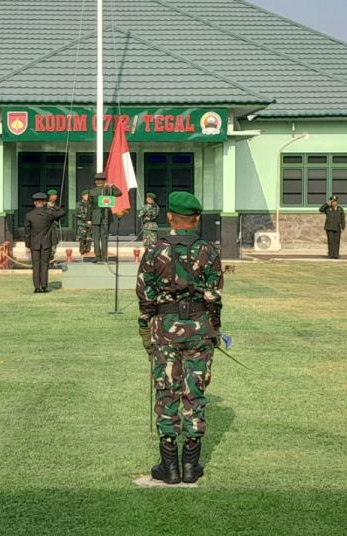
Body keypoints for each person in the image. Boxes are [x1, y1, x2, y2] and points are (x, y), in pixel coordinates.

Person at [136, 191, 223, 484]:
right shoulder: (210, 250)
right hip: (199, 329)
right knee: (194, 391)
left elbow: (145, 296)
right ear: (196, 218)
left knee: (167, 391)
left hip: (165, 328)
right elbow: (214, 297)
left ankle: (169, 466)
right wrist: (215, 328)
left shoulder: (154, 249)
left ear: (169, 216)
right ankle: (191, 466)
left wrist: (146, 330)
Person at [24, 192, 65, 293]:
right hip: (46, 243)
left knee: (36, 265)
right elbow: (62, 212)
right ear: (44, 202)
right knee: (44, 265)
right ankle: (44, 286)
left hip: (34, 244)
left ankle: (37, 287)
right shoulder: (48, 214)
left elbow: (27, 232)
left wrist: (27, 244)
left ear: (35, 203)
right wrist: (53, 206)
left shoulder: (29, 215)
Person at [88, 172, 122, 263]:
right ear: (104, 181)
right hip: (106, 215)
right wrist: (112, 186)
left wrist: (88, 219)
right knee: (104, 237)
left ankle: (97, 256)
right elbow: (119, 193)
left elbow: (89, 206)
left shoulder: (91, 191)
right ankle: (104, 256)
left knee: (96, 237)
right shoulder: (108, 190)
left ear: (96, 182)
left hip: (95, 216)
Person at [46, 188, 63, 260]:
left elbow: (62, 212)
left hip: (54, 226)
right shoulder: (45, 205)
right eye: (54, 195)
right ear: (50, 196)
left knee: (54, 243)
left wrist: (54, 206)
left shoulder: (54, 205)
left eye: (56, 195)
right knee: (49, 243)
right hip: (48, 227)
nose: (56, 196)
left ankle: (51, 258)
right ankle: (48, 259)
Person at [76, 190, 93, 257]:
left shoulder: (91, 204)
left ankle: (87, 253)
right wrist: (86, 219)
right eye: (85, 195)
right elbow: (77, 214)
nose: (87, 196)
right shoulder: (79, 204)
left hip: (90, 224)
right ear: (82, 196)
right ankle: (82, 253)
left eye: (88, 195)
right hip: (82, 225)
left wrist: (91, 220)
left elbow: (93, 213)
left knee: (89, 239)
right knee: (82, 239)